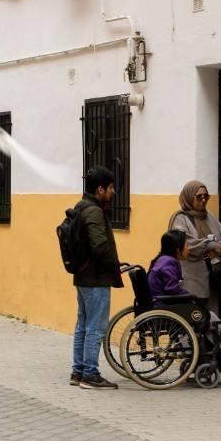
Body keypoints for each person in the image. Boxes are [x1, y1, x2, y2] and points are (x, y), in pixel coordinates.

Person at [148, 228, 221, 374]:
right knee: (214, 322)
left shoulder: (162, 260)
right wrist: (191, 297)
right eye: (186, 245)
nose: (188, 248)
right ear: (177, 249)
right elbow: (172, 289)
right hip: (166, 307)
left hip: (163, 305)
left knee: (209, 321)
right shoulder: (168, 263)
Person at [70, 166, 124, 389]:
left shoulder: (82, 207)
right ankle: (90, 374)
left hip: (84, 278)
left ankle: (78, 371)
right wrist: (114, 267)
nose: (113, 192)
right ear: (100, 189)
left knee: (83, 324)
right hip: (95, 279)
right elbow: (99, 245)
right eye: (111, 188)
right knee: (95, 327)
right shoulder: (93, 211)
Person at [168, 180, 221, 306]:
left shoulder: (209, 216)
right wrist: (210, 245)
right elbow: (184, 242)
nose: (203, 200)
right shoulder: (180, 219)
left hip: (212, 273)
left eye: (206, 196)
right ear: (188, 197)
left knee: (210, 313)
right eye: (199, 197)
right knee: (193, 313)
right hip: (190, 277)